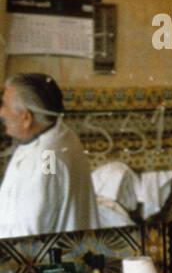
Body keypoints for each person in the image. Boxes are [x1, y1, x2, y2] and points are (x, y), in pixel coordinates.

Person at [0, 73, 100, 238]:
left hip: (42, 258)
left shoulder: (48, 158)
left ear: (26, 118)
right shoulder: (59, 134)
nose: (1, 112)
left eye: (5, 105)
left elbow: (30, 234)